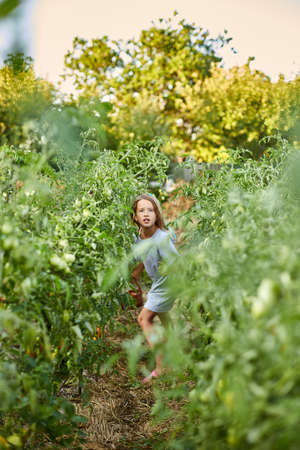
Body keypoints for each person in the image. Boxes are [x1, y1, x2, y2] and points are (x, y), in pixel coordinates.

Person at [129, 193, 179, 383]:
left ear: (157, 215)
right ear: (135, 216)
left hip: (168, 283)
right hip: (159, 283)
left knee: (144, 319)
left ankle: (161, 368)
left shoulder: (161, 239)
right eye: (141, 210)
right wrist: (137, 272)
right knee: (163, 316)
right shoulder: (140, 237)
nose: (146, 213)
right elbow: (144, 253)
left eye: (150, 210)